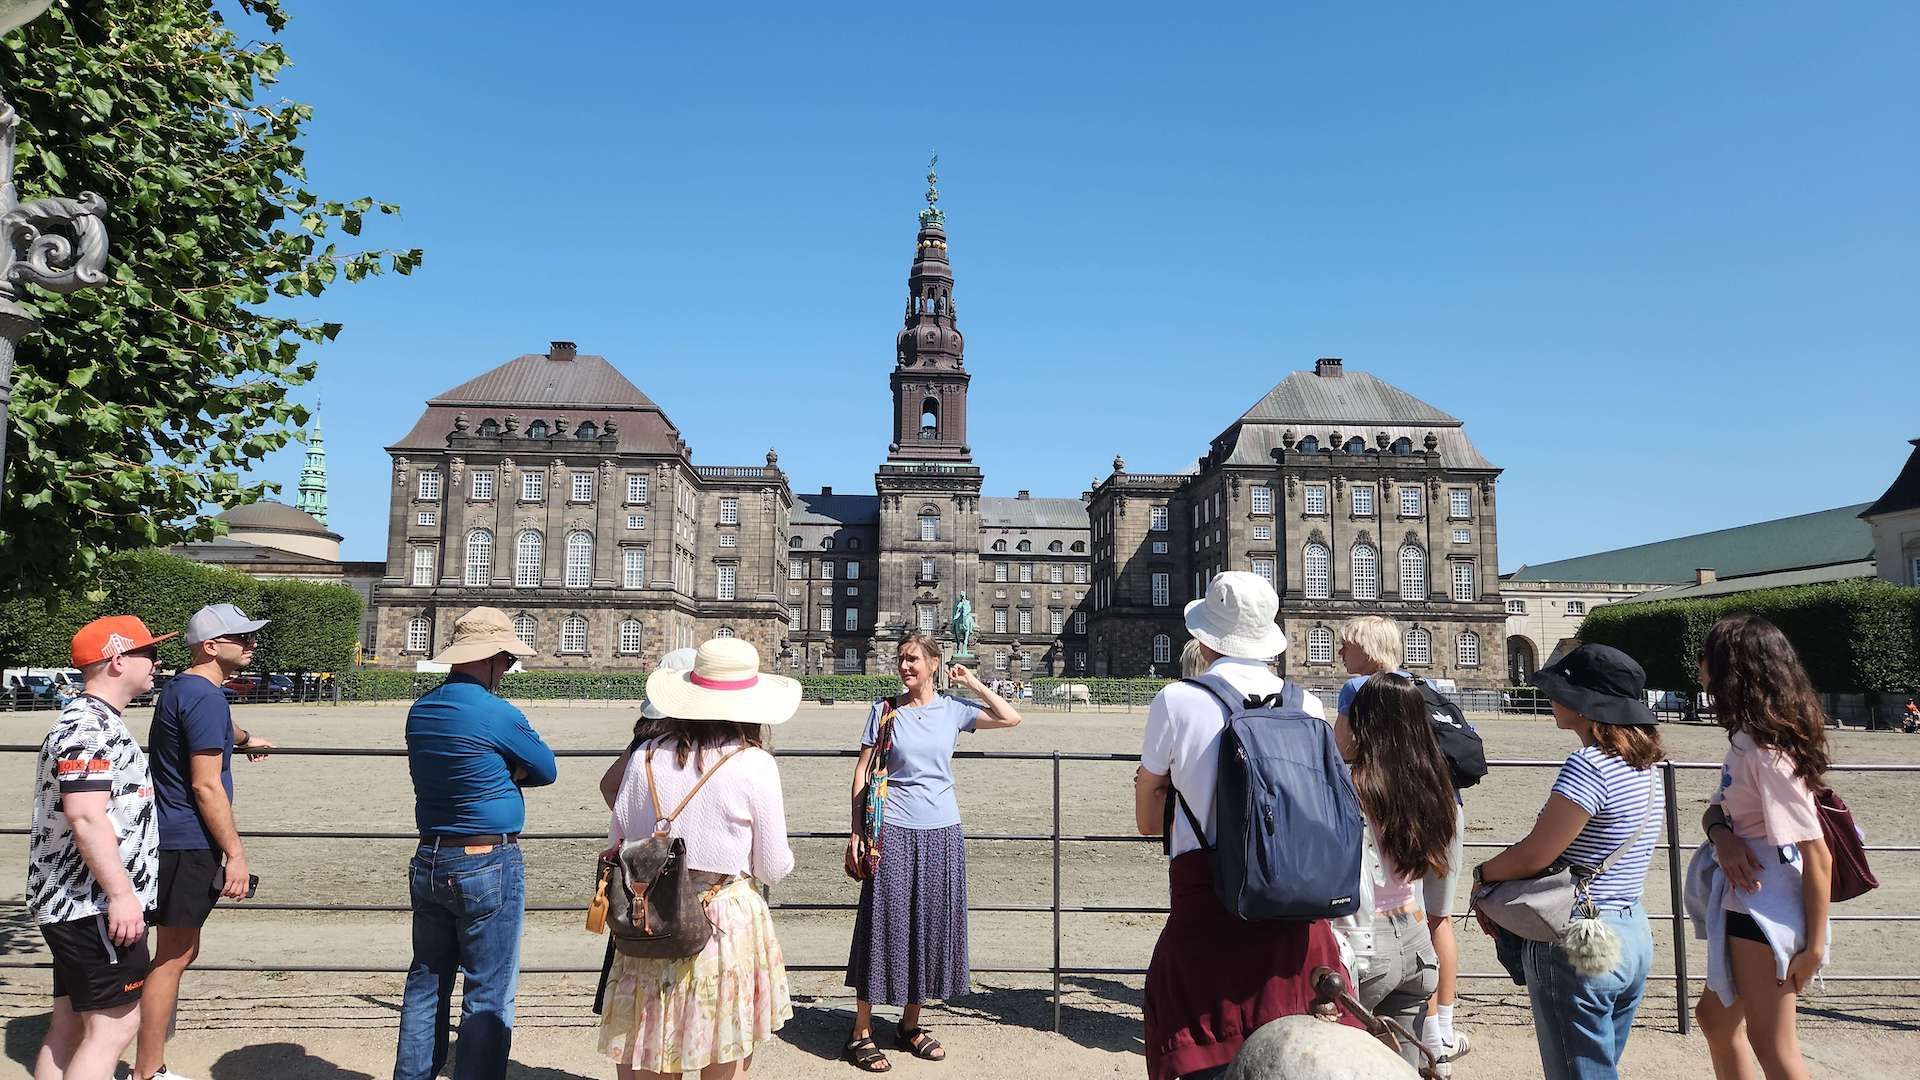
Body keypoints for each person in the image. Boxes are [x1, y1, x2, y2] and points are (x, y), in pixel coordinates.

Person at [1132, 572, 1347, 1080]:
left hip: (1209, 913)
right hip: (1298, 918)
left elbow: (1147, 822)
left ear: (1206, 639)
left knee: (1201, 1055)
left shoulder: (1177, 700)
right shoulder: (1306, 704)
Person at [598, 637, 799, 1078]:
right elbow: (772, 867)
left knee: (650, 1045)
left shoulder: (644, 756)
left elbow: (619, 842)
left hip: (651, 917)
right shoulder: (755, 763)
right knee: (721, 1049)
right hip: (720, 920)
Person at [1472, 643, 1664, 1080]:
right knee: (1599, 1069)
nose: (1552, 697)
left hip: (1579, 936)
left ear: (1586, 704)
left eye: (1561, 690)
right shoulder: (1643, 764)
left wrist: (1483, 874)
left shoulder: (1589, 765)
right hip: (1631, 929)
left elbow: (1537, 853)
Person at [842, 634, 1023, 1073]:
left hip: (942, 831)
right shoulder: (885, 710)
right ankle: (861, 1030)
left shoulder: (953, 710)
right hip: (892, 831)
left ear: (934, 664)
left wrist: (973, 683)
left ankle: (909, 1024)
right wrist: (857, 831)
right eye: (901, 659)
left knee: (928, 925)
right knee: (882, 924)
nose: (905, 666)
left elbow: (1011, 717)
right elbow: (862, 772)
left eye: (913, 660)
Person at [394, 608, 558, 1080]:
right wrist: (509, 771)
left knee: (426, 981)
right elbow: (546, 769)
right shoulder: (497, 712)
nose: (507, 668)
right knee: (488, 990)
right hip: (487, 859)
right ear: (489, 658)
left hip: (430, 855)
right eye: (507, 659)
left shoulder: (422, 709)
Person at [1688, 615, 1834, 1080]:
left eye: (1706, 655)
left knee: (1773, 1045)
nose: (1698, 665)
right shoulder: (1747, 740)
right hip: (1745, 900)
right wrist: (1724, 837)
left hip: (1765, 910)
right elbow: (1715, 812)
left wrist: (1814, 947)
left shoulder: (1765, 752)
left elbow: (1818, 853)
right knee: (1715, 1021)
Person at [27, 616, 173, 1080]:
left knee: (70, 1025)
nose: (156, 663)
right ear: (117, 660)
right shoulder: (88, 727)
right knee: (115, 1026)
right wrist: (122, 895)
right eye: (149, 653)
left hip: (78, 903)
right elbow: (86, 817)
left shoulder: (91, 720)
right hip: (90, 905)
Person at [137, 604, 278, 1080]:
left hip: (173, 836)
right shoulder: (205, 698)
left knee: (179, 952)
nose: (252, 644)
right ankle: (148, 1070)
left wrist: (245, 738)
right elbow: (205, 785)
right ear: (211, 646)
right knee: (172, 957)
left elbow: (218, 727)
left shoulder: (186, 688)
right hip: (189, 840)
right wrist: (236, 854)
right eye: (243, 637)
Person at [1335, 615, 1467, 1067]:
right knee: (1405, 1065)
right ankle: (1442, 1032)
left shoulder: (1356, 785)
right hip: (1415, 942)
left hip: (1367, 942)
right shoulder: (1433, 785)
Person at [598, 648, 699, 809]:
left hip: (655, 824)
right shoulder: (720, 739)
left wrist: (633, 820)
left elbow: (608, 787)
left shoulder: (646, 738)